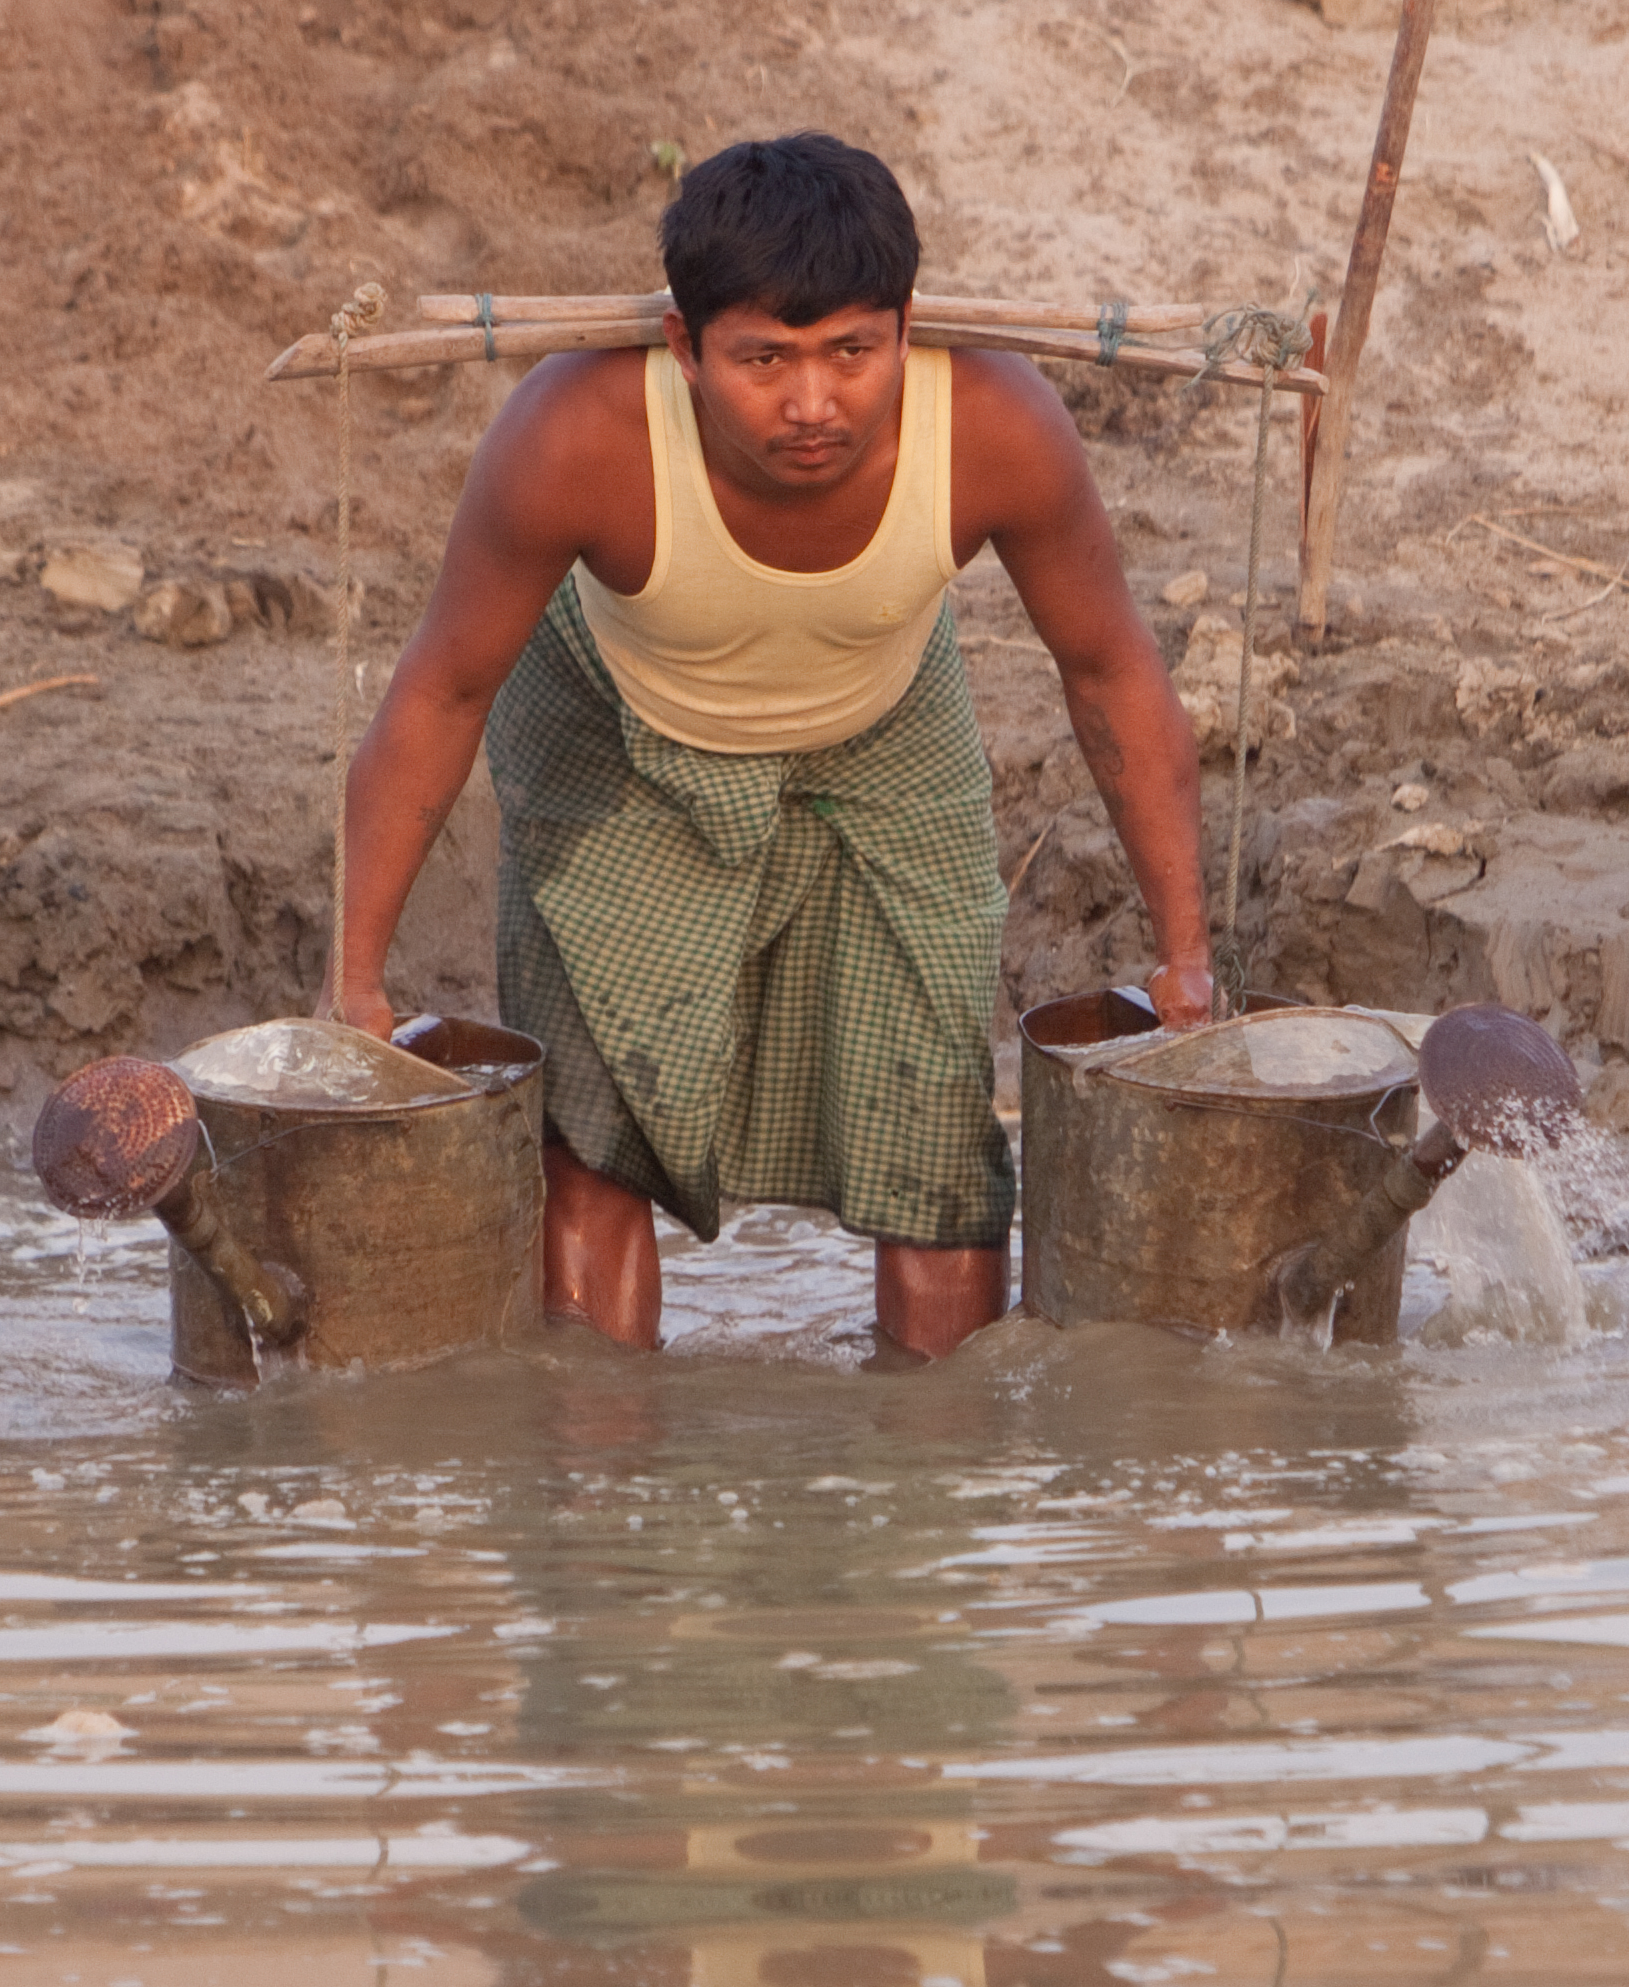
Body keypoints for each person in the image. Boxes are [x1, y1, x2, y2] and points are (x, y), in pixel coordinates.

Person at [325, 132, 1215, 1363]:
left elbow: (1111, 670)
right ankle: (607, 1514)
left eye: (853, 353)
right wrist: (355, 988)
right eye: (764, 360)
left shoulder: (994, 425)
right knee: (593, 1139)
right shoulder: (578, 434)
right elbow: (440, 693)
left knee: (940, 1147)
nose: (813, 405)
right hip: (617, 731)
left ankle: (926, 1487)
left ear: (907, 328)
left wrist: (1189, 961)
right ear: (685, 350)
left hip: (883, 731)